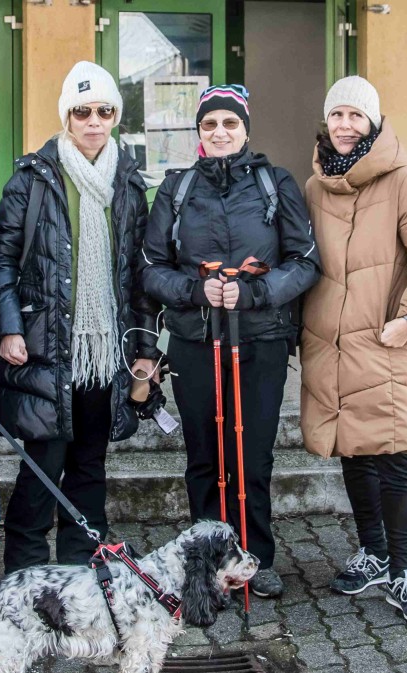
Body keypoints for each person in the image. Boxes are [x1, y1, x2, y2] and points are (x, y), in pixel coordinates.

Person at [140, 84, 321, 599]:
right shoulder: (176, 189)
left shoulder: (274, 183)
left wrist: (255, 292)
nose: (220, 132)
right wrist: (196, 291)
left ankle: (254, 556)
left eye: (230, 123)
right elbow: (151, 267)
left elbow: (305, 261)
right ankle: (205, 562)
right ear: (199, 131)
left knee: (252, 455)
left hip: (260, 340)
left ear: (245, 129)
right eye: (209, 124)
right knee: (203, 455)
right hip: (195, 341)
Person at [0, 61, 160, 574]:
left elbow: (139, 276)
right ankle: (26, 569)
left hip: (106, 350)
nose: (93, 121)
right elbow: (0, 259)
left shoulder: (128, 184)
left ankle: (83, 566)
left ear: (115, 117)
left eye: (104, 111)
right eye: (82, 111)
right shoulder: (33, 178)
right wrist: (8, 327)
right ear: (66, 116)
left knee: (89, 461)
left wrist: (145, 350)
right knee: (43, 465)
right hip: (46, 344)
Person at [301, 76, 407, 624]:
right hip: (331, 345)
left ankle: (404, 571)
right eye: (337, 114)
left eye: (356, 115)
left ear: (373, 122)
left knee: (393, 454)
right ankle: (374, 552)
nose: (345, 125)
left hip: (388, 340)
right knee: (355, 449)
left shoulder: (404, 181)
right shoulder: (315, 187)